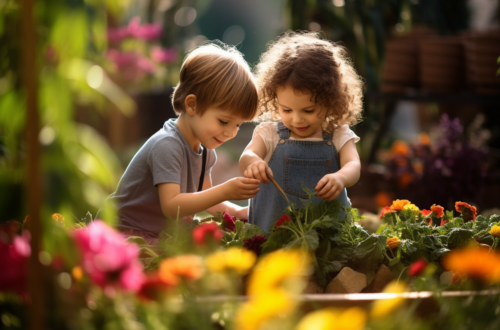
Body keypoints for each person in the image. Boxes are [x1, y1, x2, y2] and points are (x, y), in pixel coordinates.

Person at [107, 43, 261, 245]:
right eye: (223, 121)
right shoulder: (167, 145)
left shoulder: (206, 152)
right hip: (130, 235)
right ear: (192, 105)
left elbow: (207, 199)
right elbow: (172, 206)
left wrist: (238, 211)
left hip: (161, 235)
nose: (231, 132)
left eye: (238, 125)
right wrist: (226, 189)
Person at [239, 31, 364, 231]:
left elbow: (353, 165)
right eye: (286, 110)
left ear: (330, 100)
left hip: (329, 242)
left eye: (308, 110)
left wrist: (341, 177)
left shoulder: (338, 134)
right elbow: (248, 155)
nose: (297, 119)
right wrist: (253, 162)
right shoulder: (270, 134)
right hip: (274, 238)